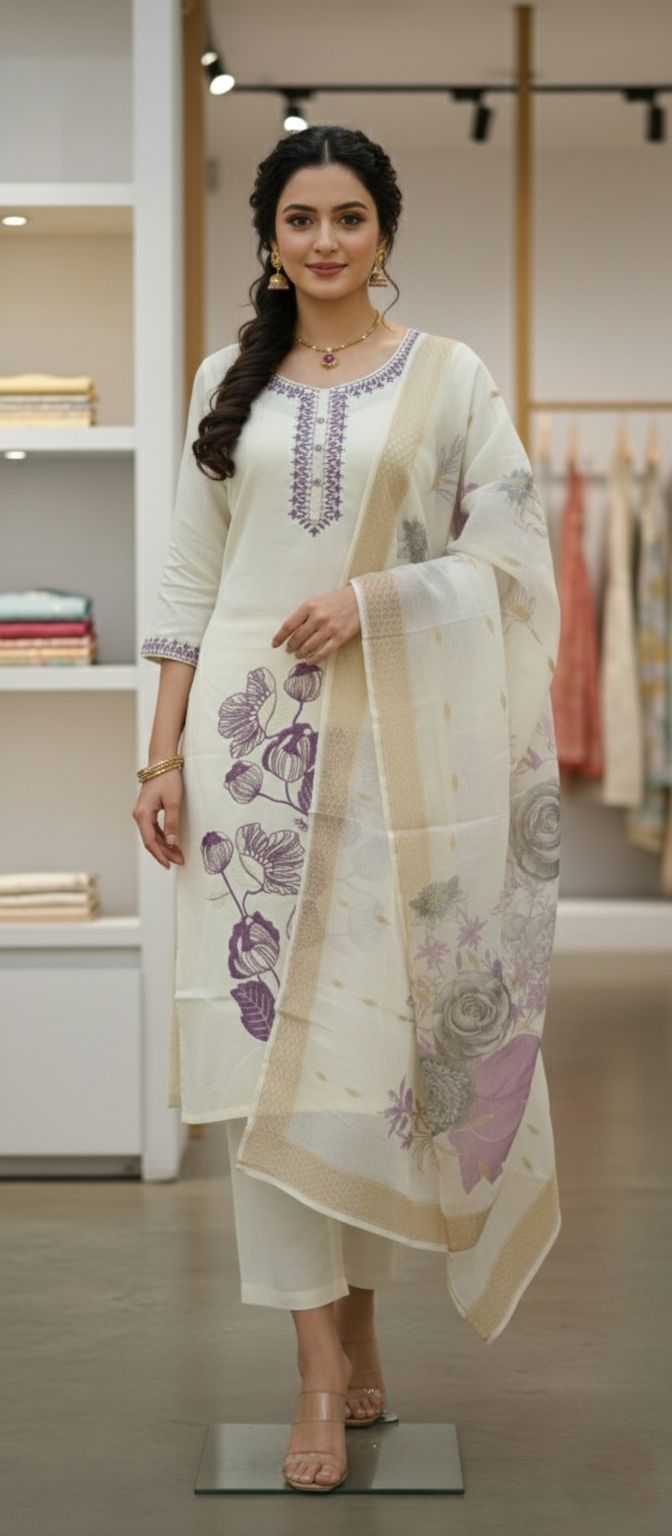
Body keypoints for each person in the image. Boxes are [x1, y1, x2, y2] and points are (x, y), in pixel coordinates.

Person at [133, 124, 562, 1494]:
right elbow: (190, 576)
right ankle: (317, 1371)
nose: (325, 241)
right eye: (301, 219)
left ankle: (363, 1318)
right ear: (271, 238)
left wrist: (374, 597)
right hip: (247, 756)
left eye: (350, 217)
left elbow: (513, 556)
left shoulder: (449, 378)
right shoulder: (227, 381)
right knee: (262, 1056)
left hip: (393, 757)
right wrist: (159, 755)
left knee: (370, 1056)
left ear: (384, 231)